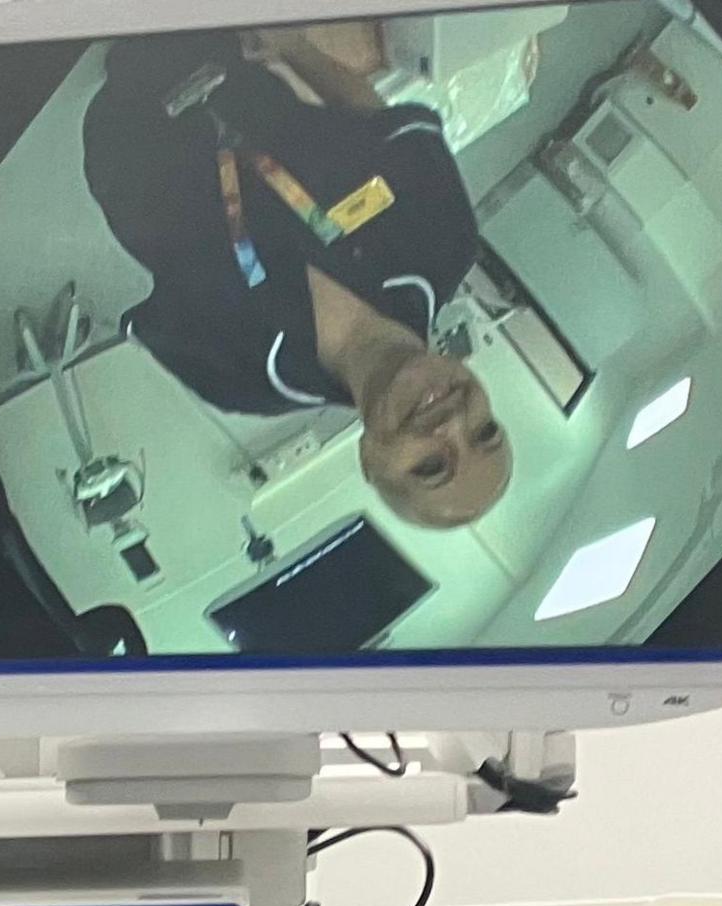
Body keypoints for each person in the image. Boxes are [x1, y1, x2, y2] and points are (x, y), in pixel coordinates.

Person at [81, 20, 513, 528]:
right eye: (486, 430)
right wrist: (289, 43)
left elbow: (150, 314)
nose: (455, 422)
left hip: (120, 125)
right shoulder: (442, 239)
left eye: (431, 466)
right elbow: (372, 120)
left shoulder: (245, 379)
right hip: (217, 43)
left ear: (369, 463)